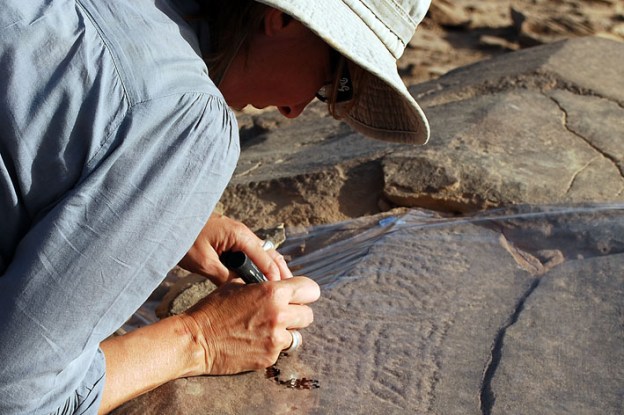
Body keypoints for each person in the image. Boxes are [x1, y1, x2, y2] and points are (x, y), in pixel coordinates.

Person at [0, 0, 431, 413]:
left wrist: (158, 213)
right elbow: (15, 397)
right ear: (282, 19)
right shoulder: (188, 119)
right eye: (334, 83)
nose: (294, 109)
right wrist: (201, 338)